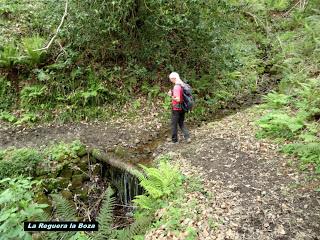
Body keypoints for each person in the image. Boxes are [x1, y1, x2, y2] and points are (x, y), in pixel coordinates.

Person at [167, 72, 191, 143]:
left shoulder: (176, 87)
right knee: (181, 122)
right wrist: (172, 93)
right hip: (182, 107)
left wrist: (171, 96)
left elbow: (178, 99)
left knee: (174, 124)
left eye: (170, 79)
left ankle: (174, 141)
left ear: (173, 78)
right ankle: (187, 137)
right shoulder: (182, 84)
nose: (170, 80)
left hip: (176, 108)